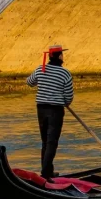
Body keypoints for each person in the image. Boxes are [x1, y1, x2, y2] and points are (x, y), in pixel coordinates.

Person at [26, 45, 74, 181]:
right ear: (59, 56)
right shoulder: (65, 73)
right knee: (52, 142)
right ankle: (46, 173)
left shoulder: (40, 70)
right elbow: (69, 96)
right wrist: (65, 102)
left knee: (45, 141)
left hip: (41, 109)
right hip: (55, 110)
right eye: (62, 55)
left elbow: (29, 82)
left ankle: (47, 171)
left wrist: (41, 79)